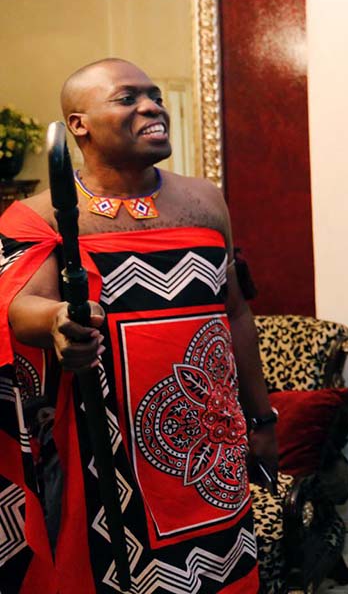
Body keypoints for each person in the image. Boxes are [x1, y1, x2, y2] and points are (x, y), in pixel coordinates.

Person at [0, 58, 272, 592]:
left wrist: (262, 421)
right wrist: (57, 321)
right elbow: (17, 307)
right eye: (127, 98)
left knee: (227, 576)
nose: (151, 106)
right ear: (78, 124)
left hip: (209, 448)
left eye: (154, 95)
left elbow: (236, 312)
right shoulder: (38, 216)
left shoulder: (205, 199)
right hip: (103, 449)